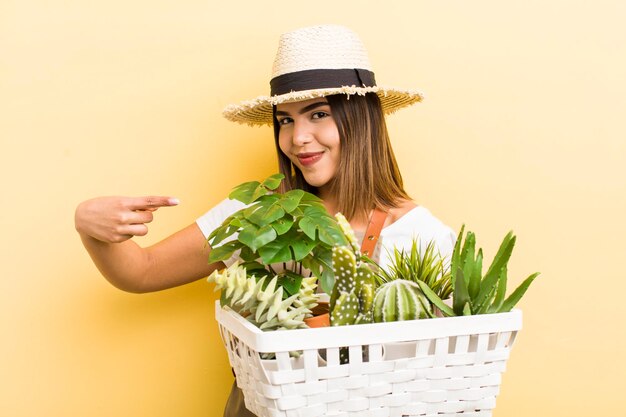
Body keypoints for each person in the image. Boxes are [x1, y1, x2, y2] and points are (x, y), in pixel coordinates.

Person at [75, 24, 455, 417]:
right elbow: (142, 272)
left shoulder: (423, 236)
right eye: (285, 120)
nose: (297, 138)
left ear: (362, 120)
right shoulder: (259, 214)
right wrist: (90, 227)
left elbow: (437, 379)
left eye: (318, 114)